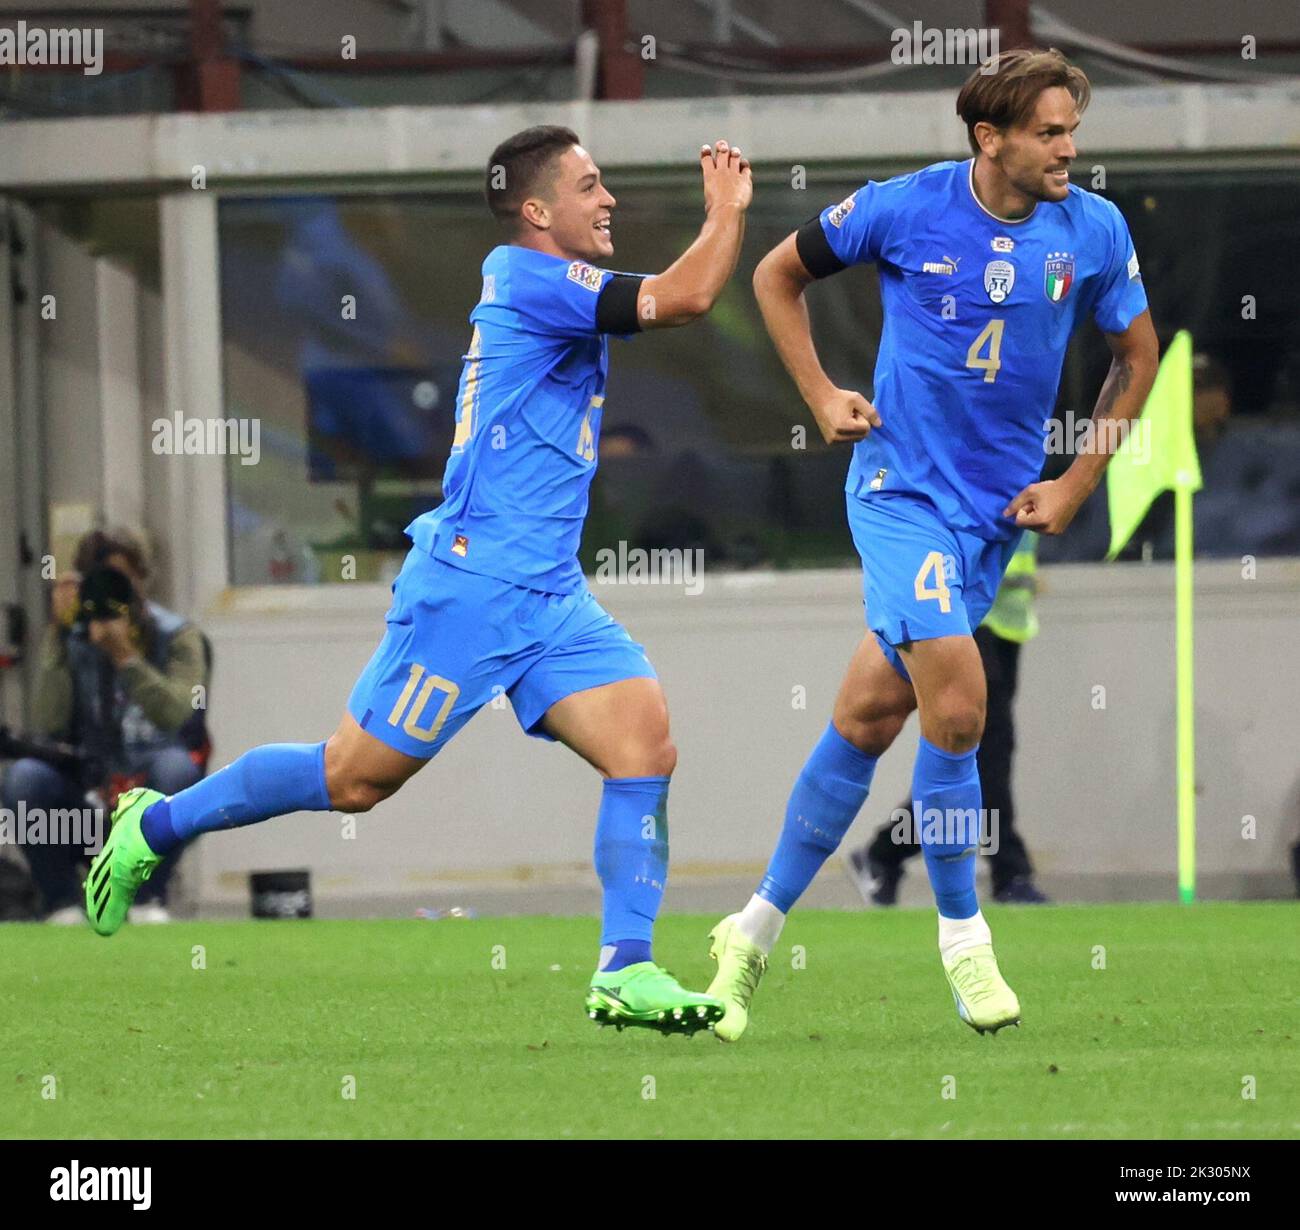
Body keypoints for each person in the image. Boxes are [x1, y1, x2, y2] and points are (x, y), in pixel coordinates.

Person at [87, 127, 753, 1036]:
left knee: (644, 746)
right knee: (354, 779)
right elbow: (685, 296)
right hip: (472, 588)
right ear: (536, 210)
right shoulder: (527, 277)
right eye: (590, 186)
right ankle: (152, 827)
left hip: (549, 592)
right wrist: (727, 213)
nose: (608, 202)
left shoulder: (556, 286)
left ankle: (624, 971)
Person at [706, 48, 1157, 1040]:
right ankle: (964, 943)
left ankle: (748, 933)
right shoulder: (902, 208)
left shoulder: (1093, 229)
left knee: (869, 719)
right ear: (989, 138)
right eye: (1047, 132)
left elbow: (1137, 352)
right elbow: (777, 275)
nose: (1067, 149)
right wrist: (822, 395)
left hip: (995, 520)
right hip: (898, 492)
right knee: (958, 710)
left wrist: (1077, 482)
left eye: (1071, 130)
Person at [2, 528, 210, 923]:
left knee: (180, 770)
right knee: (24, 779)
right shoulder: (73, 636)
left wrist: (126, 657)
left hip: (148, 799)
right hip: (85, 801)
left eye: (123, 581)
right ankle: (62, 905)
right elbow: (47, 721)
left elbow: (179, 715)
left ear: (141, 581)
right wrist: (58, 634)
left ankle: (146, 898)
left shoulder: (178, 635)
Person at [844, 533, 1050, 906]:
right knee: (988, 752)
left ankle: (884, 853)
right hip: (967, 617)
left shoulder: (1022, 473)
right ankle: (1010, 873)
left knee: (972, 755)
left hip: (1006, 620)